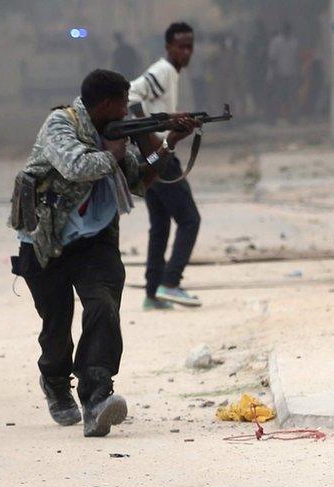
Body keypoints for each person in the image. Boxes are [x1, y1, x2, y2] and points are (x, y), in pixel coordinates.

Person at [12, 69, 196, 437]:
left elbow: (140, 180)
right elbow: (77, 167)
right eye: (123, 104)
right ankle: (55, 380)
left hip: (95, 241)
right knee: (56, 327)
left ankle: (97, 397)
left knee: (103, 307)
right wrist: (112, 153)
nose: (127, 112)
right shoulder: (60, 124)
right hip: (46, 240)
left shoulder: (116, 132)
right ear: (107, 104)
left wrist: (169, 142)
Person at [128, 22, 202, 310]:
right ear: (168, 47)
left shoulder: (170, 73)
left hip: (154, 156)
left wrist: (167, 118)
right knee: (189, 219)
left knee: (159, 225)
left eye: (189, 46)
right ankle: (171, 283)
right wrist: (151, 131)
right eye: (181, 46)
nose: (186, 52)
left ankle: (152, 292)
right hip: (160, 155)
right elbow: (132, 94)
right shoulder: (164, 70)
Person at [267, 22, 299, 122]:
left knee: (292, 97)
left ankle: (292, 118)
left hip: (291, 74)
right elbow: (272, 59)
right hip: (279, 74)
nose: (287, 31)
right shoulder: (276, 42)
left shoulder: (294, 42)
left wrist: (297, 72)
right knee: (277, 97)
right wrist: (274, 73)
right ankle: (273, 118)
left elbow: (296, 58)